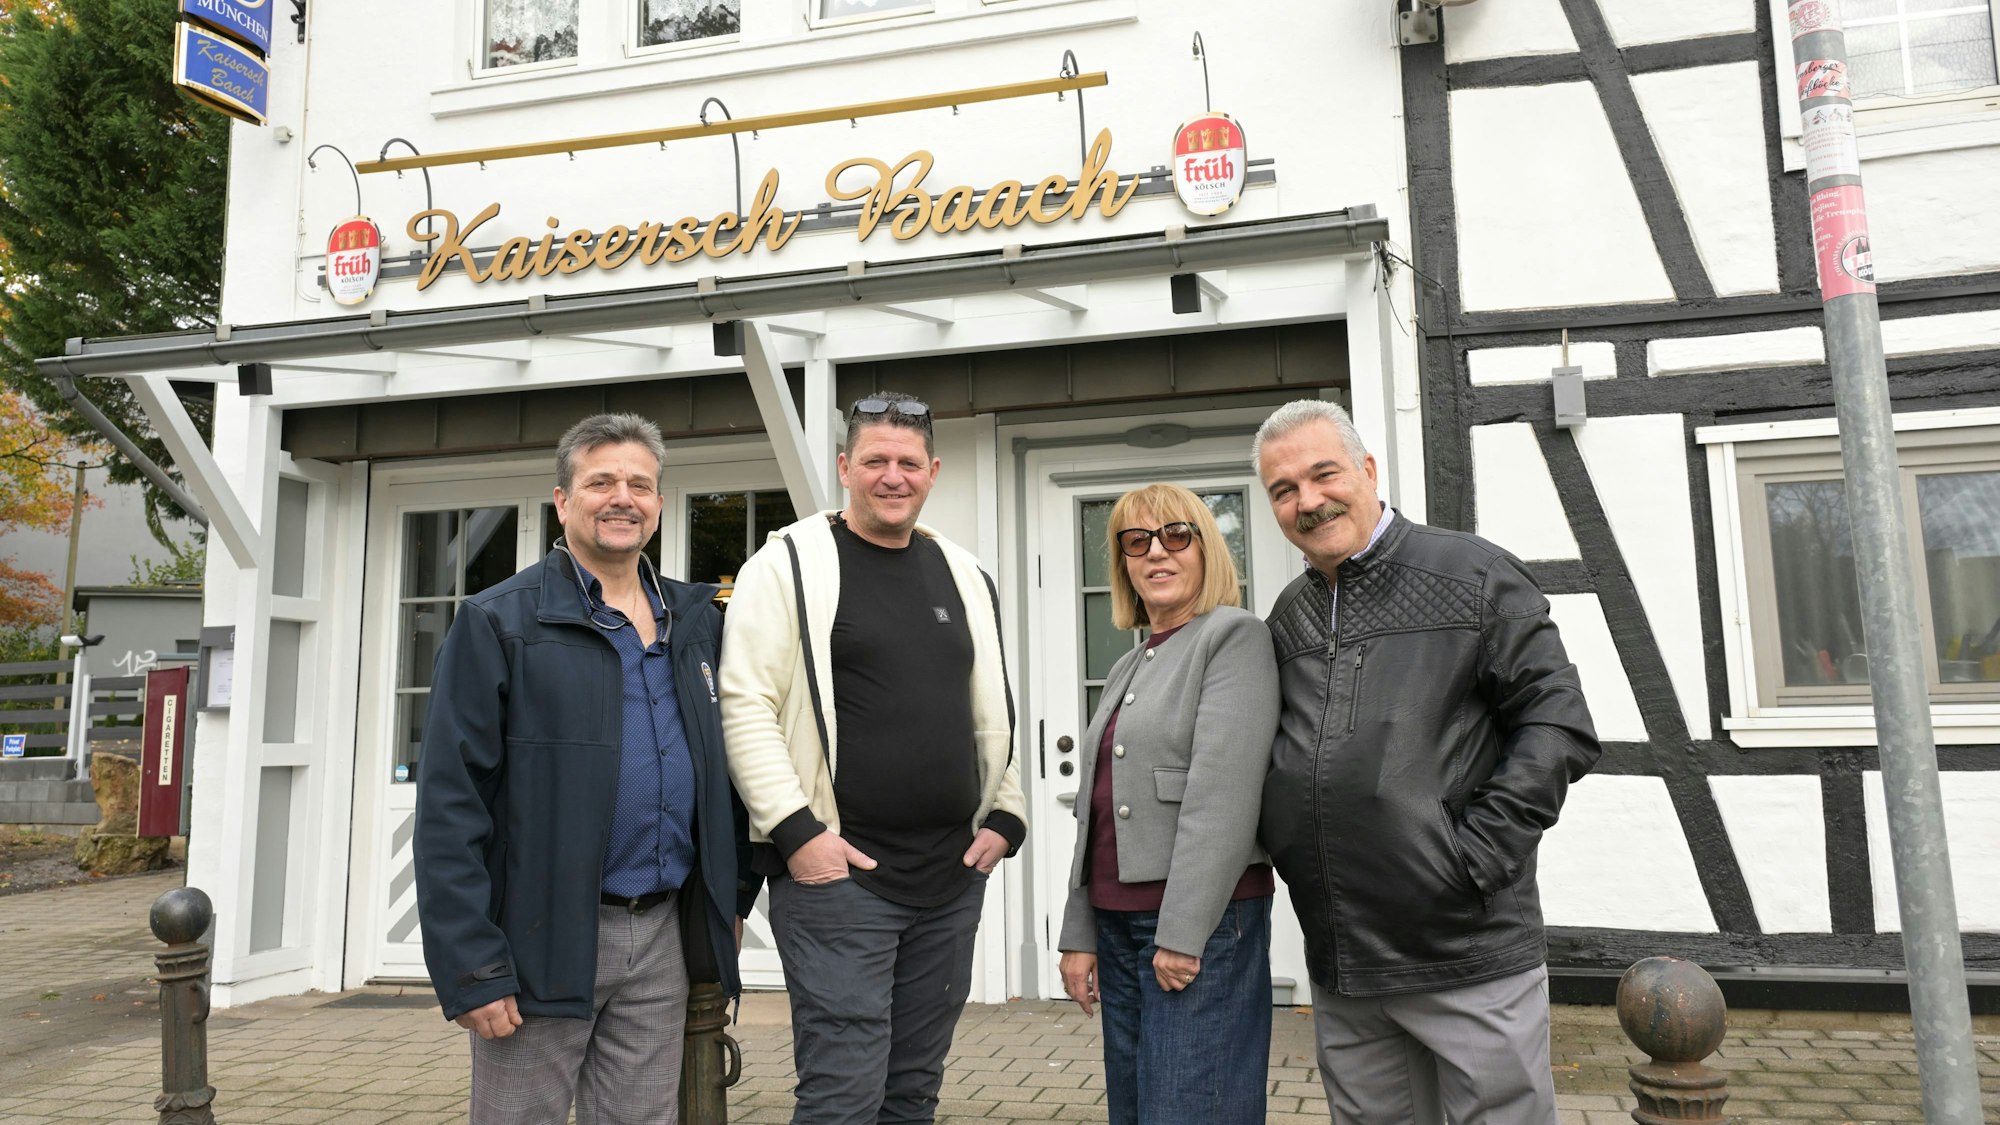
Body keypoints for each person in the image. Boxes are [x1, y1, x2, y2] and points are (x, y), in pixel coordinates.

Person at [1252, 399, 1601, 1125]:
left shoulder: (1472, 574)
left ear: (1368, 469)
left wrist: (1472, 860)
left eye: (1323, 474)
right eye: (1284, 490)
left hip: (1464, 949)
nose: (1307, 501)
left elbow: (1558, 722)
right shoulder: (1288, 617)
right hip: (1345, 959)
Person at [413, 413, 755, 1125]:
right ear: (563, 501)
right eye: (600, 482)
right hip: (539, 937)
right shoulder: (498, 622)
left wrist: (729, 901)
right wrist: (472, 963)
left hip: (661, 934)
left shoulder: (698, 623)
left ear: (658, 504)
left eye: (639, 484)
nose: (622, 497)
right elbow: (451, 805)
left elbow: (729, 772)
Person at [719, 392, 1028, 1125]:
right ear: (844, 468)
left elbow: (989, 707)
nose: (894, 476)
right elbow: (745, 703)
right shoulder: (788, 563)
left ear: (933, 472)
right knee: (843, 1095)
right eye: (875, 460)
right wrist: (797, 834)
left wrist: (1007, 815)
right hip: (840, 880)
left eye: (909, 463)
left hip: (951, 879)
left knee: (912, 1091)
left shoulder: (964, 572)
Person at [1055, 483, 1280, 1125]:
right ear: (1123, 563)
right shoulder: (1130, 665)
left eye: (1176, 535)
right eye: (1137, 541)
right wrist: (1079, 934)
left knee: (1190, 1110)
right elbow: (1097, 811)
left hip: (1197, 922)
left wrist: (1183, 935)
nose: (1156, 551)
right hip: (1118, 920)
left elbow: (1222, 796)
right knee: (1135, 1111)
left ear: (1206, 548)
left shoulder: (1233, 637)